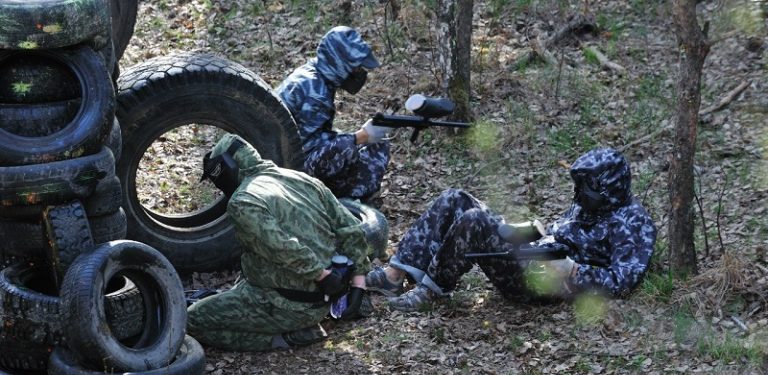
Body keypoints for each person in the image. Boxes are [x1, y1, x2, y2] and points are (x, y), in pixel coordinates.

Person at [365, 147, 657, 311]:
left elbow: (623, 281)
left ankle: (430, 292)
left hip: (546, 283)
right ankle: (395, 274)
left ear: (609, 187)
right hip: (537, 253)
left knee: (475, 221)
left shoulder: (633, 224)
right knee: (455, 198)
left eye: (587, 188)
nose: (579, 195)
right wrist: (536, 231)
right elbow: (565, 231)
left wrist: (574, 271)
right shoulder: (593, 204)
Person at [187, 134, 371, 351]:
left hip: (287, 305)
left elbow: (282, 247)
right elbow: (350, 228)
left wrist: (320, 275)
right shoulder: (300, 179)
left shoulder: (244, 201)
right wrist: (359, 284)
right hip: (325, 298)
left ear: (226, 168)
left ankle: (288, 337)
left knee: (191, 320)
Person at [276, 26, 392, 201]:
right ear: (339, 62)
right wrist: (361, 136)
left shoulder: (312, 75)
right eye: (356, 68)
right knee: (357, 145)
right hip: (287, 172)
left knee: (356, 143)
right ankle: (350, 201)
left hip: (279, 159)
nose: (360, 73)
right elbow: (308, 151)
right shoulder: (316, 94)